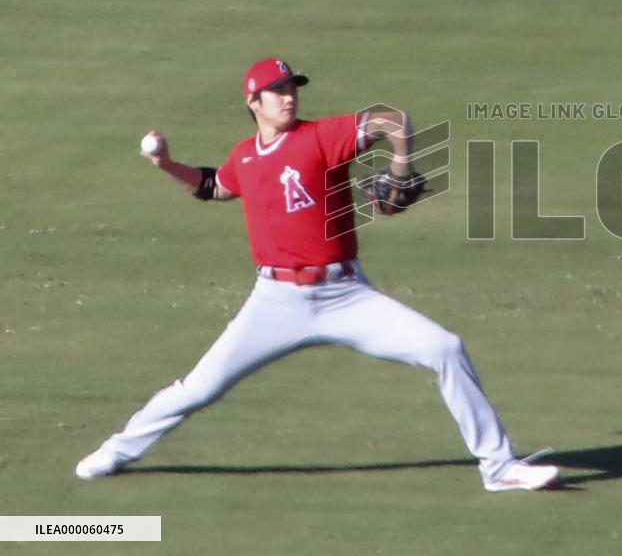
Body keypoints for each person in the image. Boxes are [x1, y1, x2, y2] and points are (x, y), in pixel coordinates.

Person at [75, 57, 559, 492]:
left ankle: (498, 467)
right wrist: (165, 164)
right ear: (253, 102)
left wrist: (400, 164)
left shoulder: (321, 137)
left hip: (345, 295)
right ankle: (115, 452)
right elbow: (212, 186)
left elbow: (394, 120)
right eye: (278, 90)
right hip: (275, 302)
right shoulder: (245, 155)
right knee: (198, 389)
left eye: (293, 88)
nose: (289, 96)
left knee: (445, 348)